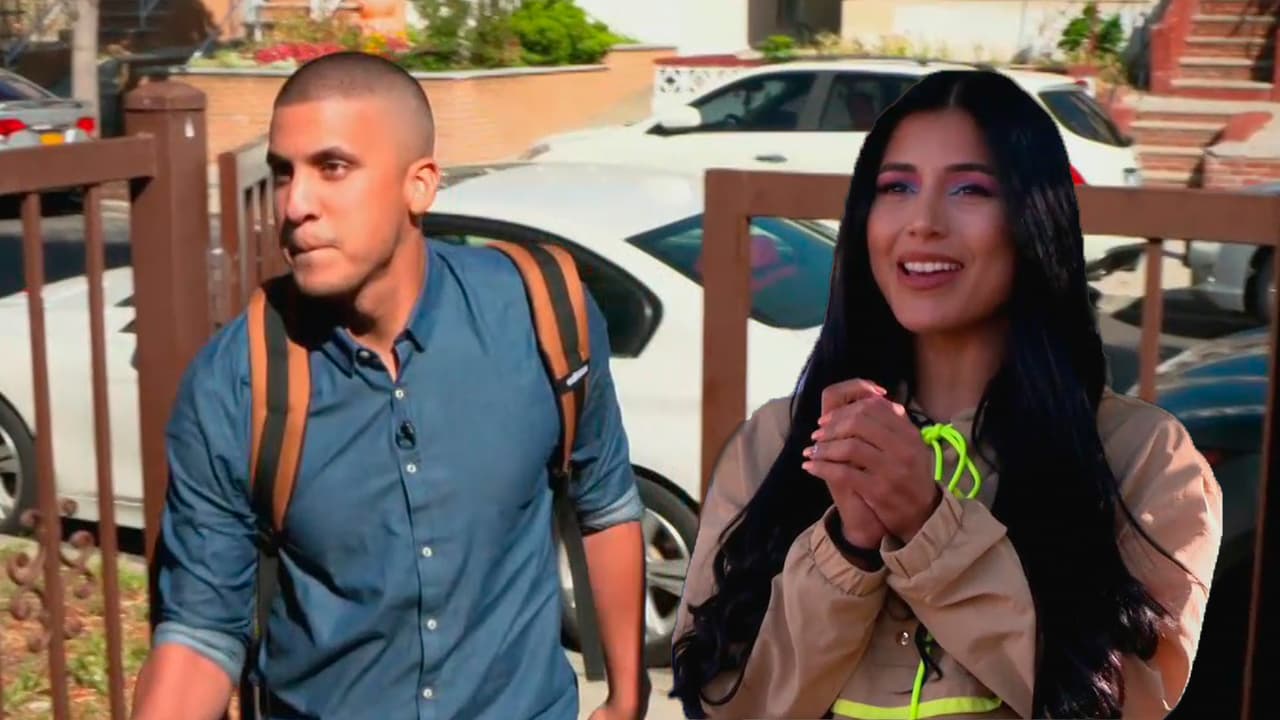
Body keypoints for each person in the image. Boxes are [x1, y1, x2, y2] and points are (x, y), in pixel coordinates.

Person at [669, 70, 1223, 720]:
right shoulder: (777, 442)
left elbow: (1132, 704)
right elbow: (727, 705)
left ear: (1035, 219)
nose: (923, 222)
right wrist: (849, 545)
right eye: (896, 187)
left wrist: (930, 527)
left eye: (970, 189)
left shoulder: (1144, 455)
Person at [130, 51, 648, 720]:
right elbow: (201, 629)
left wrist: (627, 696)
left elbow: (606, 502)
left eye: (332, 167)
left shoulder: (541, 313)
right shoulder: (236, 380)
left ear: (420, 186)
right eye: (284, 172)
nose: (294, 205)